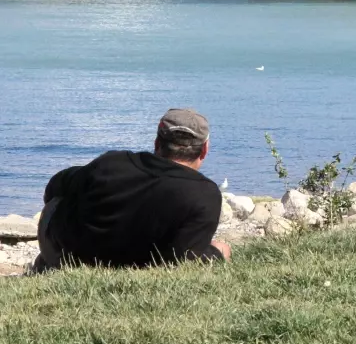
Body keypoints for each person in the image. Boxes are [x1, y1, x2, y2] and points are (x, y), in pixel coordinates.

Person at [34, 108, 230, 271]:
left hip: (70, 256)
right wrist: (218, 253)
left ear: (157, 143)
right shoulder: (206, 196)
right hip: (137, 265)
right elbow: (183, 262)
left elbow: (54, 187)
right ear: (204, 150)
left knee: (59, 201)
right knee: (220, 248)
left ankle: (48, 263)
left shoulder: (111, 162)